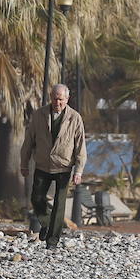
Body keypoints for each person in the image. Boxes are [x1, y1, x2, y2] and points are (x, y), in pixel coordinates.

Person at [20, 83, 87, 249]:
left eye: (61, 99)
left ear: (67, 99)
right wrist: (24, 163)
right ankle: (46, 223)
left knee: (59, 205)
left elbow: (80, 147)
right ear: (51, 98)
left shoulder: (75, 117)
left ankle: (52, 241)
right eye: (55, 99)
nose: (57, 103)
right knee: (36, 198)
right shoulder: (39, 115)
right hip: (42, 164)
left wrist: (78, 170)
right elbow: (29, 141)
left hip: (64, 167)